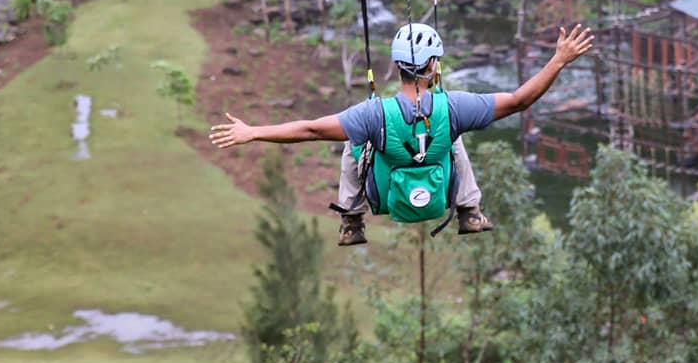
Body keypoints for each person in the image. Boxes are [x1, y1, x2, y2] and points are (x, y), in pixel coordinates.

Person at [211, 22, 596, 246]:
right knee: (453, 138)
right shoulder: (453, 107)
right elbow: (518, 101)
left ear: (397, 66)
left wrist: (254, 132)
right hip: (439, 191)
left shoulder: (374, 114)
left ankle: (352, 222)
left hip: (385, 195)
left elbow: (311, 129)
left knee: (352, 141)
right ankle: (470, 212)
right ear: (432, 65)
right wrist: (558, 60)